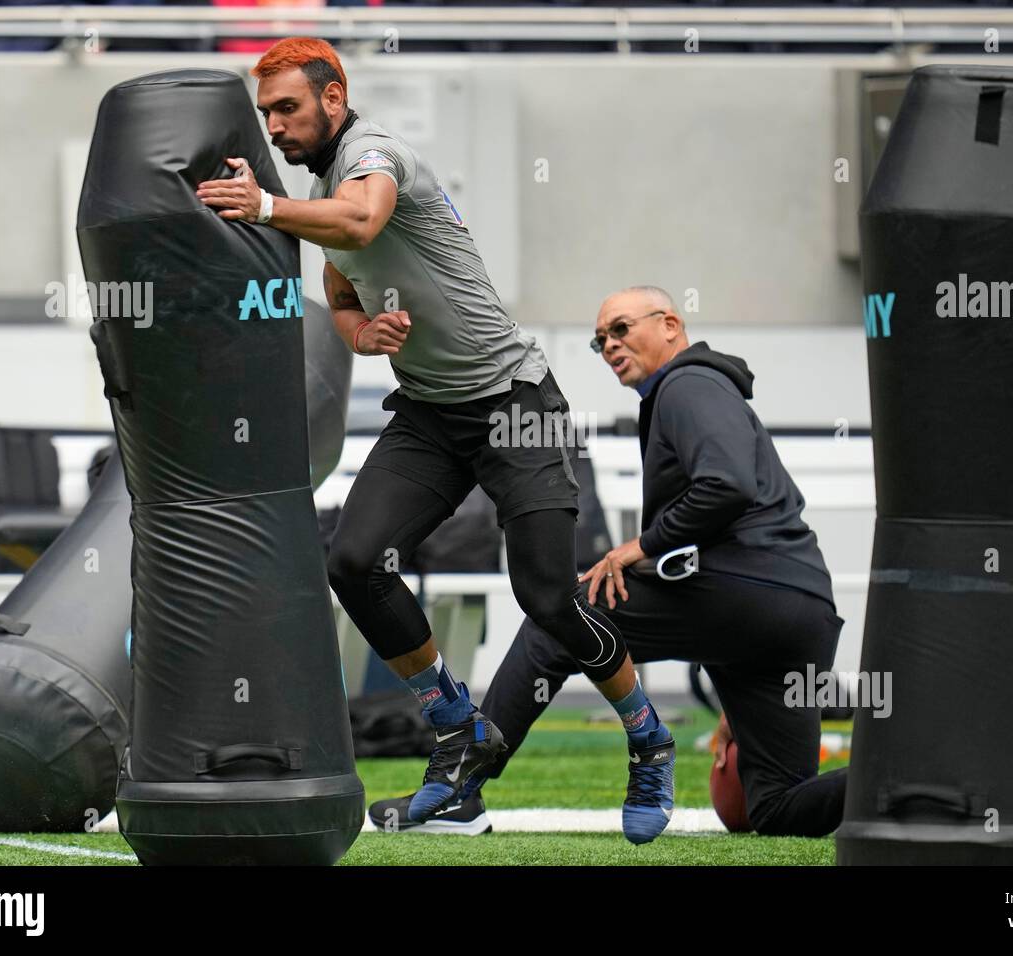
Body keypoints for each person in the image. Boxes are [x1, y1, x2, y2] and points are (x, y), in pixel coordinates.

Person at [194, 38, 676, 844]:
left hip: (516, 403)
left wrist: (266, 209)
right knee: (352, 560)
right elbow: (342, 291)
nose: (273, 126)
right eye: (265, 112)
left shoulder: (374, 155)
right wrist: (364, 332)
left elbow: (361, 219)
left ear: (334, 99)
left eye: (288, 107)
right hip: (430, 413)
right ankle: (460, 729)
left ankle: (648, 738)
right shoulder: (324, 186)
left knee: (549, 599)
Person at [371, 286, 849, 837]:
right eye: (600, 341)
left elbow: (727, 486)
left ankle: (459, 790)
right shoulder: (696, 389)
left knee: (557, 620)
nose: (610, 346)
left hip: (747, 589)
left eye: (621, 329)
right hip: (798, 612)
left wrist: (638, 549)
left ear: (670, 323)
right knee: (778, 808)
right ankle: (910, 785)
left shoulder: (687, 383)